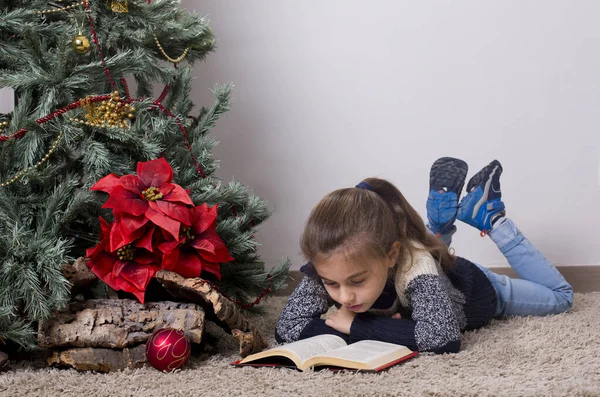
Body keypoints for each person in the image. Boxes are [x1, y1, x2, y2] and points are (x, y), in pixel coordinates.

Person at [275, 158, 573, 354]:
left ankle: (492, 218)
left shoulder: (415, 268)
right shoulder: (331, 260)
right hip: (435, 275)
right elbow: (287, 326)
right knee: (425, 260)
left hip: (479, 290)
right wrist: (399, 331)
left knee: (561, 298)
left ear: (391, 255)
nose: (345, 298)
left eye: (357, 281)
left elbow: (443, 338)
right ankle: (439, 226)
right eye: (332, 284)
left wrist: (357, 326)